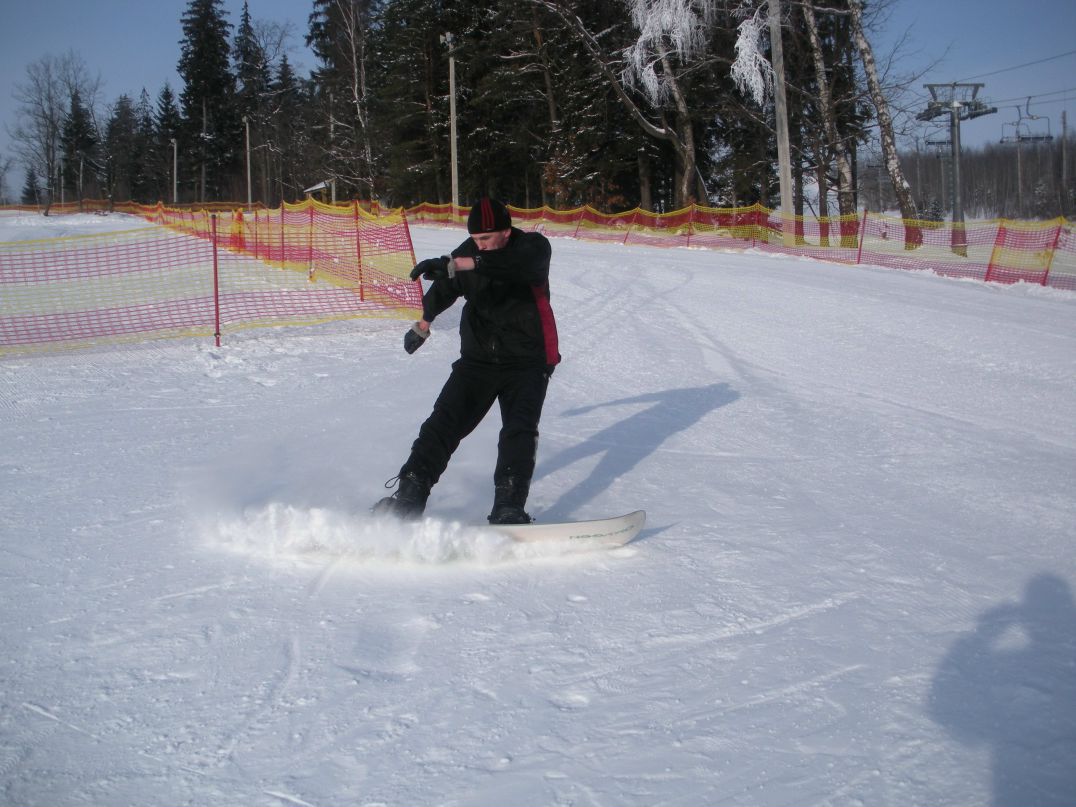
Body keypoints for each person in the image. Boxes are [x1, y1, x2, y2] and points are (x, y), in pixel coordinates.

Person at [373, 198, 560, 524]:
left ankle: (508, 506)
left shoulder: (532, 248)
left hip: (528, 360)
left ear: (506, 231)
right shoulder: (468, 253)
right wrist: (423, 324)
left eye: (486, 238)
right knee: (443, 423)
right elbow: (444, 289)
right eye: (475, 239)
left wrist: (463, 263)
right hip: (479, 359)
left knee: (518, 431)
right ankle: (410, 495)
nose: (480, 245)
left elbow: (513, 266)